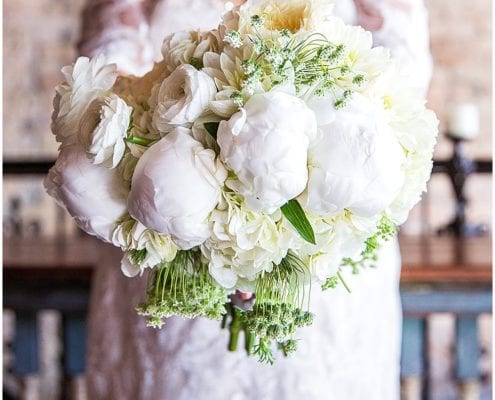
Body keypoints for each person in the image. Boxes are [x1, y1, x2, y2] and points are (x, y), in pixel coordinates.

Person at [79, 1, 432, 399]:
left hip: (326, 253)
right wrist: (197, 197)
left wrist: (287, 219)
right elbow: (107, 65)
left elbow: (403, 70)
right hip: (168, 233)